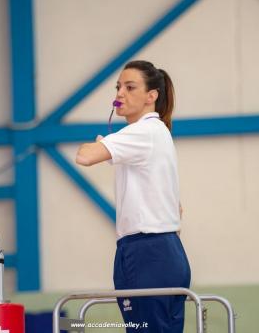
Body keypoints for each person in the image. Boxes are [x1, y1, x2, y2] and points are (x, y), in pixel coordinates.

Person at [76, 60, 191, 332]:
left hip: (147, 252)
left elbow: (85, 155)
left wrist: (102, 143)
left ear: (151, 96)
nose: (119, 94)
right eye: (118, 87)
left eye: (130, 87)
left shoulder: (143, 131)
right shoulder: (157, 133)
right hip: (162, 251)